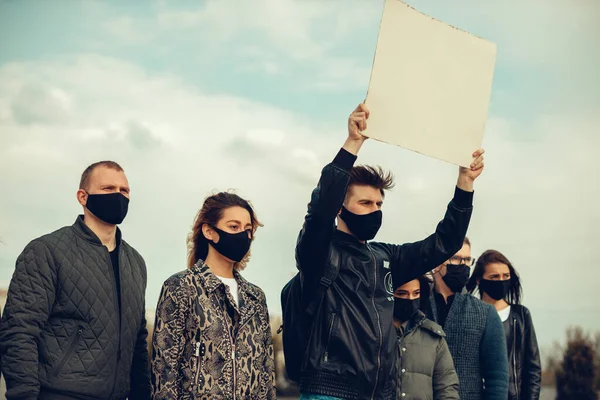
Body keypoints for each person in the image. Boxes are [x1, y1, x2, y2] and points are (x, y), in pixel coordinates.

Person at [293, 103, 485, 400]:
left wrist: (465, 184)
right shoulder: (320, 252)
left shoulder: (385, 258)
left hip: (380, 393)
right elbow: (319, 213)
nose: (374, 211)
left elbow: (444, 244)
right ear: (340, 208)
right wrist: (353, 143)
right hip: (330, 392)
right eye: (365, 203)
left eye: (379, 204)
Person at [0, 161, 151, 400]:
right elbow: (19, 331)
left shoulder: (135, 262)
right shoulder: (46, 251)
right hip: (59, 393)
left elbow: (138, 341)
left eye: (124, 191)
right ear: (83, 196)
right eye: (108, 188)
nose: (118, 196)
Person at [151, 192, 275, 399]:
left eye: (248, 229)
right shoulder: (181, 287)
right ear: (209, 231)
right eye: (233, 227)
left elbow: (266, 375)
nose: (243, 236)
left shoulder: (255, 298)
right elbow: (164, 370)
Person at [430, 238, 509, 400]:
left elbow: (497, 378)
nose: (463, 265)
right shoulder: (418, 307)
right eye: (456, 258)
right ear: (438, 262)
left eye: (467, 260)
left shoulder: (485, 313)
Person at [466, 250, 541, 400]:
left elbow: (533, 370)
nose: (501, 281)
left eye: (506, 276)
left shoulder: (521, 316)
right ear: (480, 280)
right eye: (494, 277)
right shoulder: (469, 315)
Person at [392, 274, 459, 400]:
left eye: (416, 293)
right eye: (402, 293)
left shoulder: (433, 337)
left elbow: (447, 389)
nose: (410, 298)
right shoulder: (370, 333)